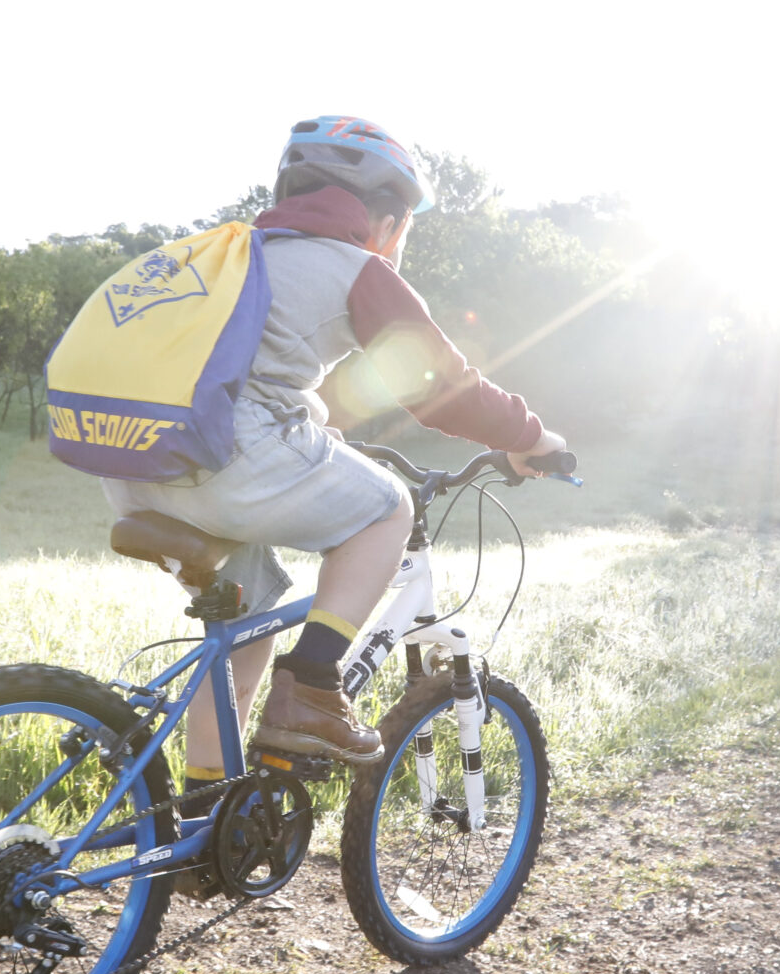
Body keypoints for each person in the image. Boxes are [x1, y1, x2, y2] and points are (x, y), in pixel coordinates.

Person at [99, 116, 569, 789]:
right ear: (386, 218)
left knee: (248, 615)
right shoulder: (357, 267)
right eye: (405, 225)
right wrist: (531, 438)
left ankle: (209, 805)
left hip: (132, 465)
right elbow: (445, 390)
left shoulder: (232, 254)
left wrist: (314, 426)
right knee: (388, 508)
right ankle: (314, 686)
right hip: (223, 461)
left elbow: (243, 368)